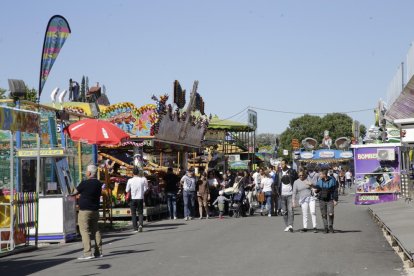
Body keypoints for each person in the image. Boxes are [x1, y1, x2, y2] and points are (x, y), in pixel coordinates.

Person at [71, 164, 103, 260]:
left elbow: (74, 192)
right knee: (95, 230)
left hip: (84, 211)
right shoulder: (98, 183)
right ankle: (98, 252)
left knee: (84, 231)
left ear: (89, 173)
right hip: (95, 210)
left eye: (86, 172)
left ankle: (87, 253)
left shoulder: (84, 183)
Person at [315, 169, 339, 233]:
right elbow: (317, 189)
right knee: (323, 214)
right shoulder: (320, 181)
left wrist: (335, 199)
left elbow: (335, 190)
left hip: (330, 199)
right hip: (322, 199)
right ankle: (325, 227)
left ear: (324, 175)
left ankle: (330, 226)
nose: (319, 175)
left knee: (331, 213)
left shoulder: (332, 180)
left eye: (320, 174)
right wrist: (315, 190)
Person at [126, 168, 148, 233]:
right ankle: (140, 225)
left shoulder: (130, 180)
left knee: (133, 213)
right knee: (140, 213)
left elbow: (127, 190)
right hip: (140, 198)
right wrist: (142, 192)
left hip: (133, 198)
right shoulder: (142, 180)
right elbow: (146, 188)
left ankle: (135, 228)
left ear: (133, 173)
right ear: (138, 173)